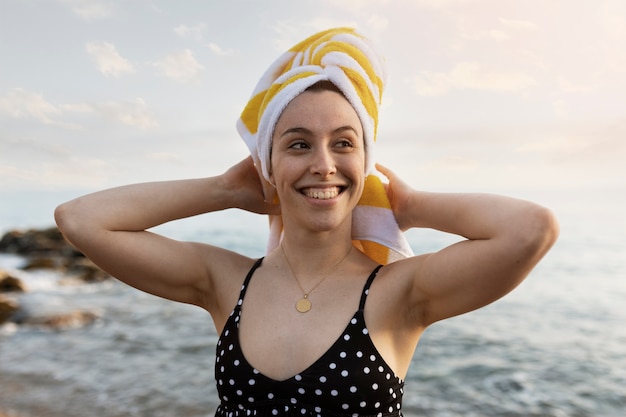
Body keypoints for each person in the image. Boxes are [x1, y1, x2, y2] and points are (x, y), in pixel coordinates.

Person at [55, 28, 559, 417]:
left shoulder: (400, 291)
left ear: (367, 160)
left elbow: (531, 229)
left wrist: (413, 206)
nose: (323, 164)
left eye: (344, 143)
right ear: (268, 165)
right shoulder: (227, 282)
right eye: (298, 143)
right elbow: (81, 219)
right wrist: (224, 190)